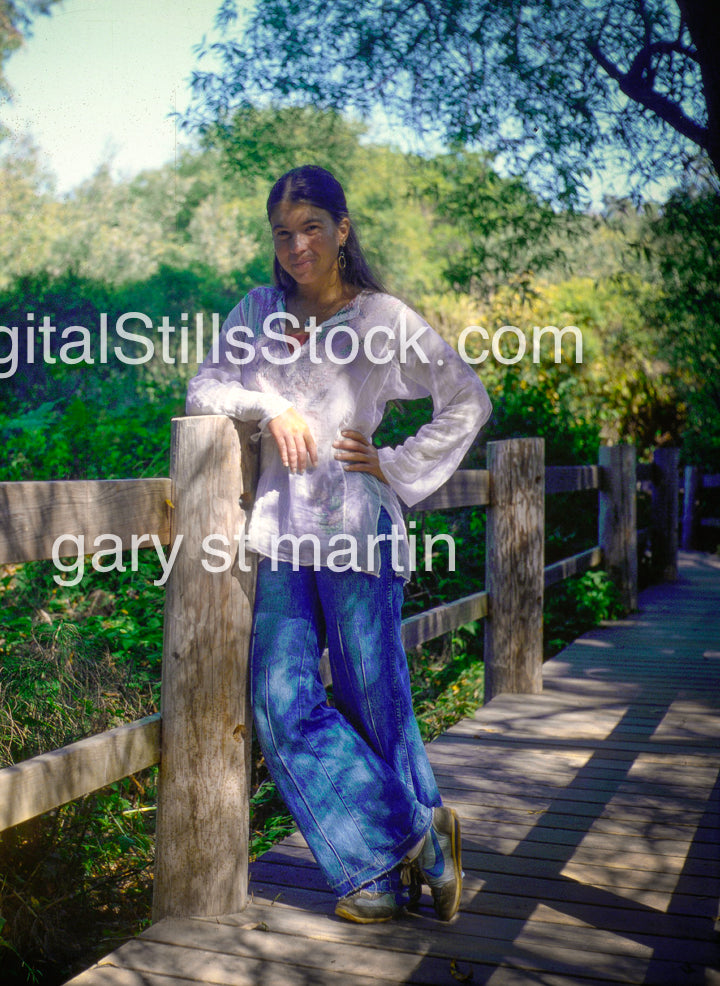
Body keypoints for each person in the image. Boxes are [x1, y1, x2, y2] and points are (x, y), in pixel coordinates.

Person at [186, 165, 491, 924]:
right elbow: (204, 388)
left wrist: (397, 465)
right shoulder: (257, 310)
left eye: (311, 228)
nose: (297, 246)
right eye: (283, 233)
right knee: (279, 702)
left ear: (342, 230)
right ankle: (421, 835)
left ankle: (375, 880)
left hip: (361, 536)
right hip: (282, 538)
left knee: (373, 700)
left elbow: (467, 397)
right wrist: (272, 405)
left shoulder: (383, 317)